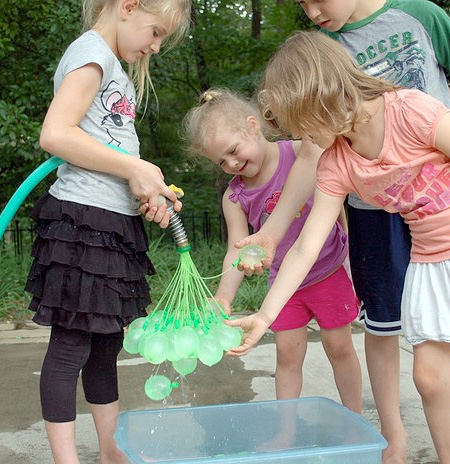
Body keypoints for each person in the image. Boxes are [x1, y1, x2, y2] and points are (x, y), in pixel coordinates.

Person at [226, 30, 450, 464]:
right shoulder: (337, 160)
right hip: (429, 259)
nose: (301, 137)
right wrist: (265, 315)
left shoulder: (410, 111)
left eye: (302, 121)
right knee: (429, 378)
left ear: (322, 94)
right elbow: (304, 247)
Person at [24, 1, 190, 463]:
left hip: (112, 223)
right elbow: (56, 134)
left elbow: (109, 148)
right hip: (82, 222)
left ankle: (111, 452)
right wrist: (134, 167)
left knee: (105, 346)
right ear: (128, 7)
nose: (155, 47)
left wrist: (146, 189)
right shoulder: (92, 53)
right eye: (155, 32)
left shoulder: (110, 61)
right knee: (71, 346)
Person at [182, 88, 362, 414]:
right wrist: (224, 297)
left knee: (339, 347)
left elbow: (335, 203)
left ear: (253, 125)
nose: (232, 163)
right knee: (287, 355)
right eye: (221, 161)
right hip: (284, 285)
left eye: (233, 151)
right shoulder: (234, 197)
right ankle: (285, 428)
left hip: (328, 272)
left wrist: (348, 248)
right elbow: (236, 251)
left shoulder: (300, 154)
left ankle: (355, 416)